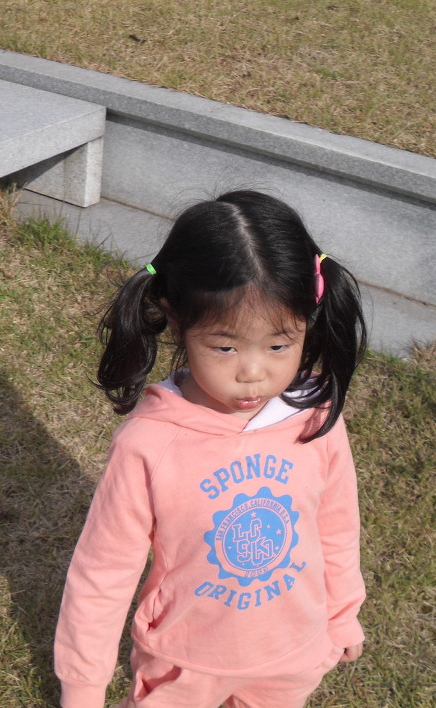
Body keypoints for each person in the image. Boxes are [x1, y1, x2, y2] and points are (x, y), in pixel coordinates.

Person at [54, 190, 368, 708]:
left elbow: (336, 525)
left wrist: (341, 615)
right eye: (225, 347)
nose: (253, 372)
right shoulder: (148, 444)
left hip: (293, 656)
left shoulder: (316, 415)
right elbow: (102, 574)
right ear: (177, 320)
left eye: (279, 345)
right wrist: (83, 687)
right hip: (183, 664)